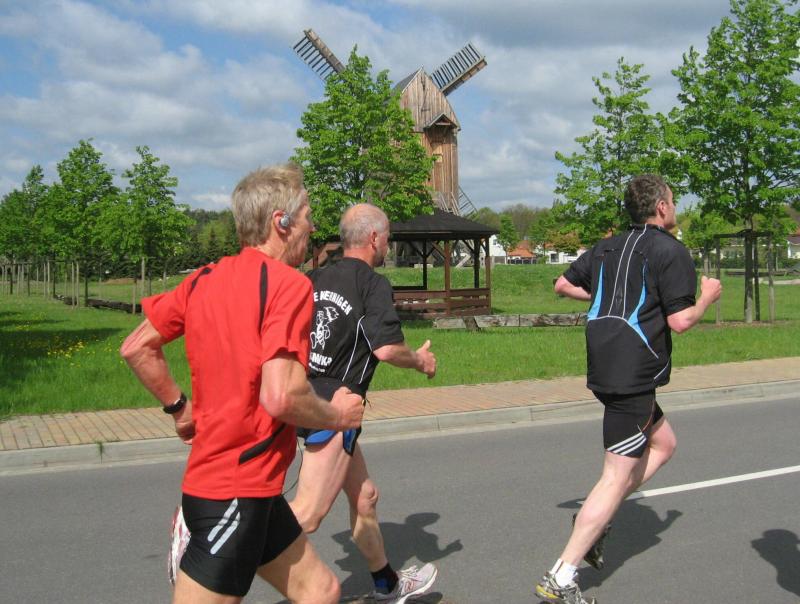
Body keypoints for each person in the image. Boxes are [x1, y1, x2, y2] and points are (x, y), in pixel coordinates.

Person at [120, 163, 365, 604]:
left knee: (322, 591)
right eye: (307, 216)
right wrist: (338, 416)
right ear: (281, 222)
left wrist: (179, 409)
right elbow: (281, 395)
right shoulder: (289, 285)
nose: (312, 227)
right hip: (233, 493)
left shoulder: (202, 280)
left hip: (257, 490)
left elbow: (137, 347)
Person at [535, 174, 722, 604]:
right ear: (661, 207)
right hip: (632, 372)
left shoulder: (607, 246)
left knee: (664, 444)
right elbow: (680, 321)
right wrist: (708, 297)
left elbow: (562, 284)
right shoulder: (670, 251)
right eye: (673, 201)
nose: (675, 208)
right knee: (615, 476)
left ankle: (595, 521)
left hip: (605, 362)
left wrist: (607, 299)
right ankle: (562, 575)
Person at [288, 203, 439, 604]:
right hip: (334, 410)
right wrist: (420, 360)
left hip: (305, 398)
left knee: (365, 496)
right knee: (308, 513)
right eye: (387, 237)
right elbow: (386, 349)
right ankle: (214, 552)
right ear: (374, 238)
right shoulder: (372, 284)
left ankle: (387, 583)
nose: (388, 244)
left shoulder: (313, 277)